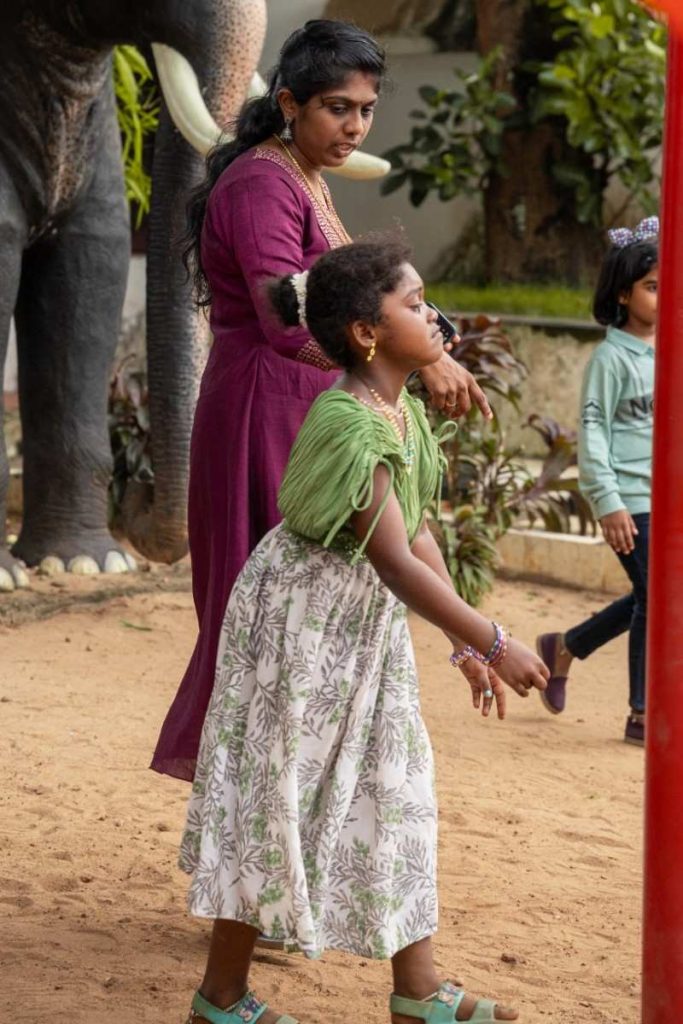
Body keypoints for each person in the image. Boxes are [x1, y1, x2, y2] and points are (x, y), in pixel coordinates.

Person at [178, 237, 549, 1024]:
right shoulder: (349, 419)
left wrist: (460, 640)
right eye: (414, 305)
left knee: (397, 788)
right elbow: (389, 557)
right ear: (366, 333)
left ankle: (418, 993)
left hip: (359, 627)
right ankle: (220, 998)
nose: (433, 316)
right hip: (301, 626)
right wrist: (491, 638)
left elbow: (414, 533)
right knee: (278, 794)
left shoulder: (399, 411)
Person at [151, 20, 491, 783]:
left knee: (326, 624)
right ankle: (254, 841)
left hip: (311, 410)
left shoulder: (302, 175)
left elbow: (350, 300)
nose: (355, 125)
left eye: (365, 109)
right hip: (262, 413)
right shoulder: (262, 181)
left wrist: (420, 353)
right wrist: (406, 359)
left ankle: (296, 832)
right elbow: (283, 318)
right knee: (273, 632)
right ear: (290, 103)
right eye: (338, 107)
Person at [536, 217, 658, 747]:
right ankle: (642, 713)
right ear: (624, 294)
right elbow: (593, 433)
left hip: (668, 498)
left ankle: (565, 646)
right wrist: (608, 503)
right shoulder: (611, 359)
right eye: (654, 285)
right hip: (631, 501)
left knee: (652, 594)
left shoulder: (670, 351)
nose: (666, 293)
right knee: (657, 595)